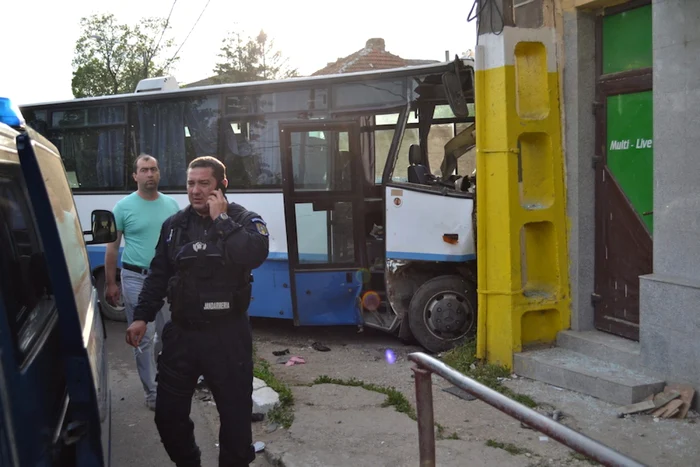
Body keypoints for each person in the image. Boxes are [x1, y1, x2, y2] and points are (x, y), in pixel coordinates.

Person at [125, 156, 269, 467]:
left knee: (235, 419)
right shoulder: (175, 226)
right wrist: (141, 316)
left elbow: (254, 254)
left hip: (228, 336)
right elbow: (159, 274)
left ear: (222, 186)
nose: (196, 190)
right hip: (183, 336)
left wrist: (222, 222)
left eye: (204, 183)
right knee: (167, 415)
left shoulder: (244, 220)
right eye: (191, 183)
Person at [105, 154, 180, 411]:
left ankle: (167, 381)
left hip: (167, 281)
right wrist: (110, 283)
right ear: (135, 176)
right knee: (143, 337)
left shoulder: (172, 205)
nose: (150, 174)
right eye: (144, 170)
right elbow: (112, 248)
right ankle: (152, 393)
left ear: (159, 173)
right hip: (136, 278)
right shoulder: (123, 207)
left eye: (154, 169)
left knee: (168, 335)